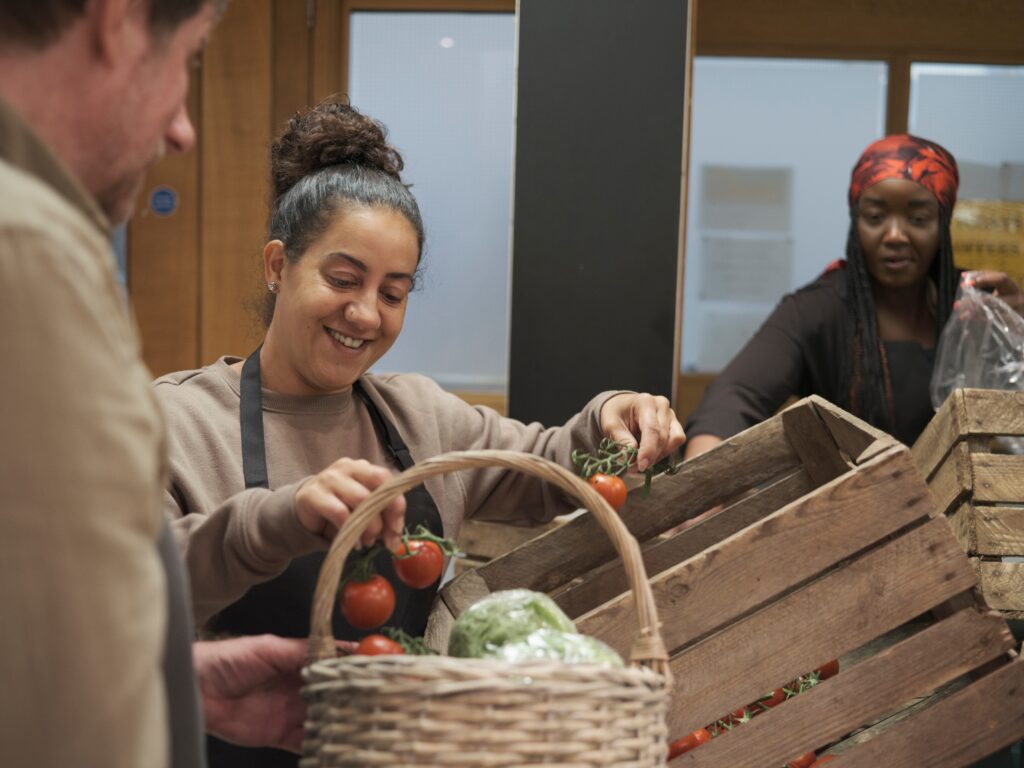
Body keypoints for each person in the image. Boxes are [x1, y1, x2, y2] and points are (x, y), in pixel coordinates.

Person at [154, 100, 687, 768]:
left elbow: (549, 463)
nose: (364, 313)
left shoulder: (418, 416)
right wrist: (280, 518)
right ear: (277, 266)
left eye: (393, 293)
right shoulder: (176, 423)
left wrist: (614, 414)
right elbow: (131, 591)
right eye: (343, 279)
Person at [0, 2, 360, 766]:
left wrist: (169, 680)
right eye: (186, 61)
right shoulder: (27, 247)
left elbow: (38, 621)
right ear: (118, 20)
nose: (183, 130)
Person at [684, 134, 1024, 459]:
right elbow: (734, 398)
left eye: (918, 218)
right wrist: (702, 480)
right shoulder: (817, 310)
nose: (895, 235)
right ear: (855, 221)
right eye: (875, 217)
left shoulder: (975, 306)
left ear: (942, 223)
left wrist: (1014, 332)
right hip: (855, 497)